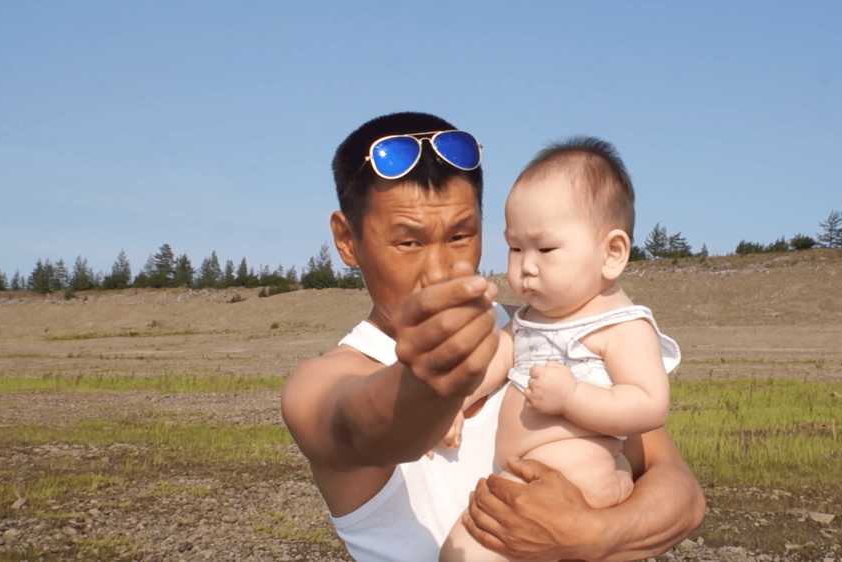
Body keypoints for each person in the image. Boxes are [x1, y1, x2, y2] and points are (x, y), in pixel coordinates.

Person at [281, 112, 705, 562]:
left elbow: (681, 492)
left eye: (461, 235)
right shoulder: (320, 385)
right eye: (409, 242)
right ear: (347, 240)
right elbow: (375, 429)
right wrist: (432, 382)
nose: (441, 271)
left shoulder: (549, 328)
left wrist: (591, 533)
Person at [439, 137, 682, 562]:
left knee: (464, 553)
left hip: (571, 480)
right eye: (515, 247)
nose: (526, 265)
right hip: (524, 475)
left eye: (545, 248)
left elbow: (649, 404)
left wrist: (572, 398)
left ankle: (612, 485)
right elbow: (498, 357)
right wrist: (462, 399)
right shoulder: (530, 318)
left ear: (611, 254)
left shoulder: (620, 325)